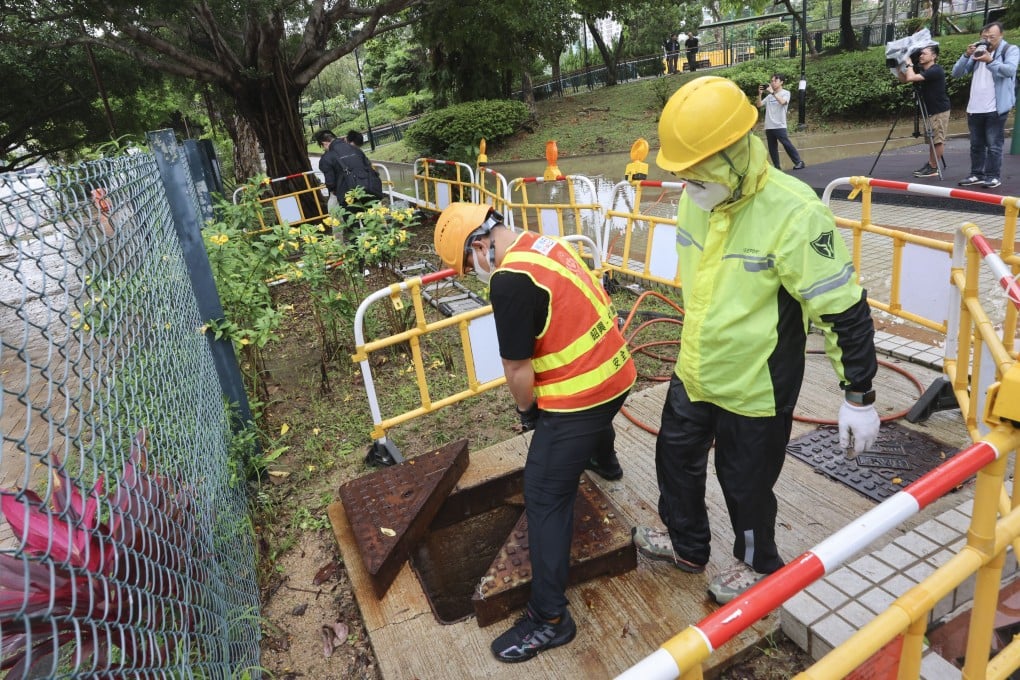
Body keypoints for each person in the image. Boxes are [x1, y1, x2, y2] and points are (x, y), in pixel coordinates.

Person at [632, 76, 880, 606]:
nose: (686, 187)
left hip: (757, 385)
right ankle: (686, 544)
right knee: (673, 457)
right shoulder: (698, 198)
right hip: (697, 368)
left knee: (745, 484)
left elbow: (843, 308)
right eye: (681, 175)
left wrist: (859, 394)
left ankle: (757, 564)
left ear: (734, 154)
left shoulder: (794, 212)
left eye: (695, 174)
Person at [433, 203, 636, 663]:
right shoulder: (544, 244)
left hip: (583, 397)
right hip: (618, 374)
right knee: (587, 438)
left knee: (543, 492)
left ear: (479, 245)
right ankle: (604, 460)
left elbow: (516, 367)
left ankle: (549, 619)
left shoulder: (508, 280)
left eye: (468, 263)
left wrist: (527, 413)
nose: (473, 273)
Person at [951, 21, 1019, 189]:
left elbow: (1009, 70)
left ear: (1001, 36)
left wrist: (990, 61)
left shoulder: (1009, 50)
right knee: (976, 145)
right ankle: (976, 174)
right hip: (975, 107)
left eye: (992, 37)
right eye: (984, 37)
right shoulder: (978, 51)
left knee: (994, 145)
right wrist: (966, 55)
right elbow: (956, 73)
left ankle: (993, 176)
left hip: (996, 107)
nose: (987, 40)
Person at [897, 45, 950, 178]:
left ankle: (933, 167)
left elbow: (911, 78)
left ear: (933, 56)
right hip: (930, 110)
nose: (920, 56)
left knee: (937, 140)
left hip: (938, 110)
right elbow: (904, 79)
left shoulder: (935, 70)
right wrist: (898, 66)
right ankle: (931, 165)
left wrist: (909, 63)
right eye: (920, 54)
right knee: (932, 139)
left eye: (924, 53)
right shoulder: (922, 70)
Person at [756, 73, 806, 171]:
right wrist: (760, 94)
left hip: (779, 125)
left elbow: (783, 102)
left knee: (786, 144)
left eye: (775, 81)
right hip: (769, 126)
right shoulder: (769, 96)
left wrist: (772, 93)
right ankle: (777, 167)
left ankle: (799, 162)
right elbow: (759, 105)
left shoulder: (786, 93)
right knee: (772, 148)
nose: (773, 83)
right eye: (771, 81)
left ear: (781, 82)